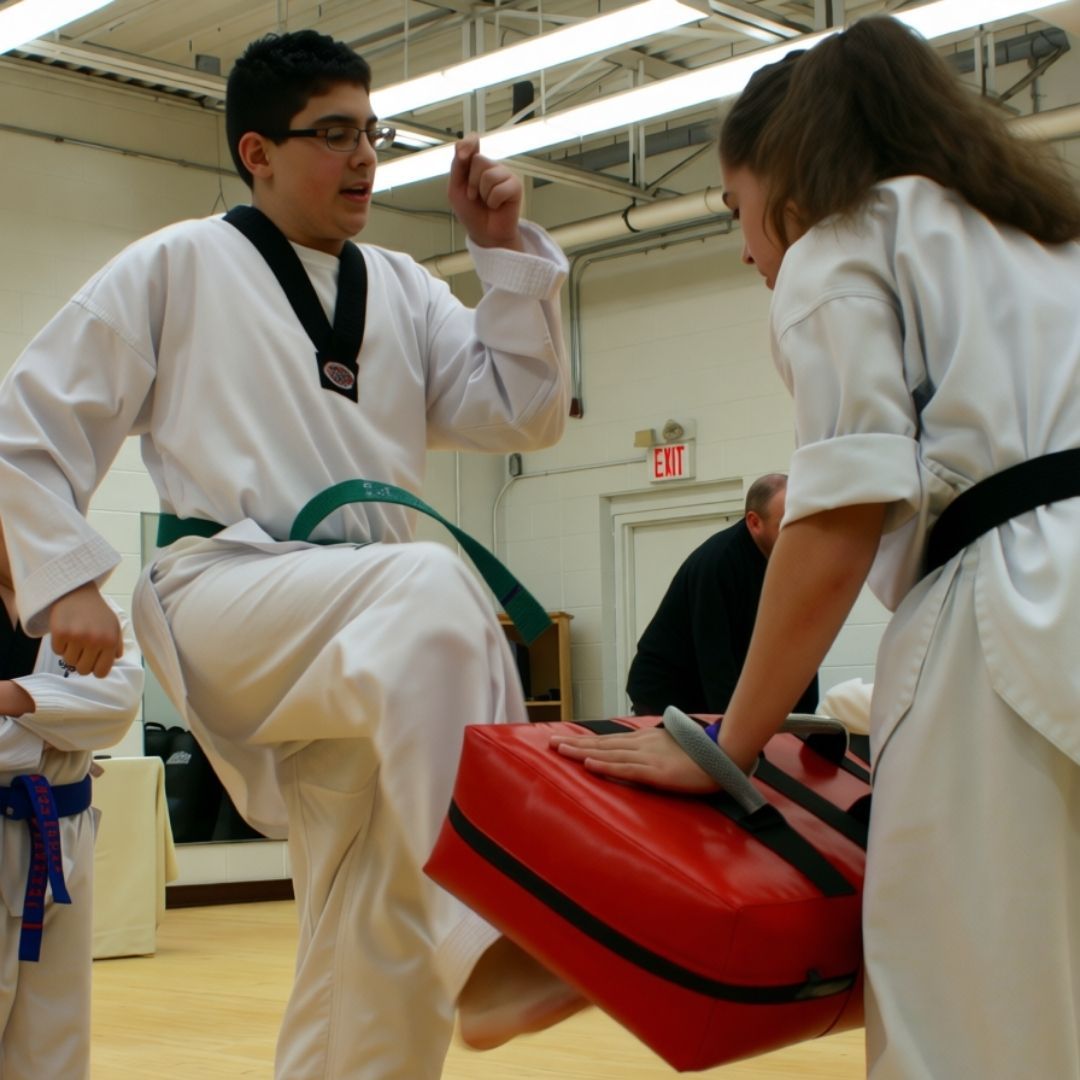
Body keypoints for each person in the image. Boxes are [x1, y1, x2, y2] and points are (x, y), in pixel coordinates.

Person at [0, 29, 580, 1080]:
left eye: (373, 133)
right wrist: (67, 582)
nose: (365, 158)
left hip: (372, 653)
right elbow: (26, 428)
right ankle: (499, 933)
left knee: (378, 927)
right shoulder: (179, 264)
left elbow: (519, 412)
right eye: (335, 134)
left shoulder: (402, 286)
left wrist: (500, 255)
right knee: (431, 588)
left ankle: (433, 968)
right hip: (227, 594)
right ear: (258, 152)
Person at [554, 15, 1080, 1079]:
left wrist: (726, 745)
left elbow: (837, 517)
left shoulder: (842, 241)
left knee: (966, 1009)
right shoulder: (1044, 242)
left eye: (736, 209)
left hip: (1010, 625)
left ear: (787, 176)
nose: (748, 247)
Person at [0, 522, 142, 1079]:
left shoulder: (89, 610)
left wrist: (14, 696)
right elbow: (88, 713)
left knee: (56, 1031)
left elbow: (116, 709)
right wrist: (58, 722)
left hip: (61, 834)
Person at [625, 472, 818, 717]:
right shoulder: (718, 563)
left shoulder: (794, 562)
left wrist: (806, 723)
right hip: (666, 690)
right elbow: (714, 657)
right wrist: (732, 729)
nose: (797, 533)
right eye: (785, 524)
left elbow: (801, 647)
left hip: (711, 684)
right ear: (754, 523)